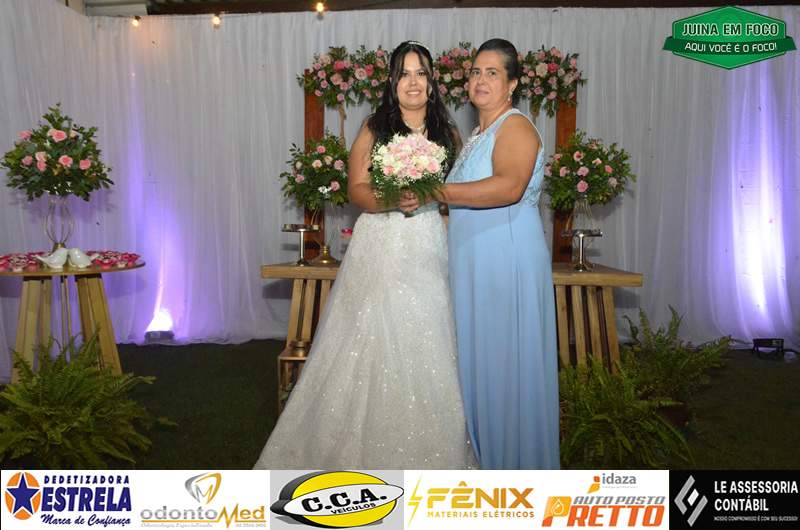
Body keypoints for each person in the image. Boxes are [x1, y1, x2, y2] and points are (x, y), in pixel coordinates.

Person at [255, 41, 476, 469]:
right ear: (392, 83)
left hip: (428, 243)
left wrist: (439, 208)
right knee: (368, 336)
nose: (413, 82)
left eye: (421, 73)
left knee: (429, 333)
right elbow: (356, 188)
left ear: (432, 82)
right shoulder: (375, 127)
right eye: (404, 74)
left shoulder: (448, 134)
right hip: (381, 242)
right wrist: (392, 199)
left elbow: (456, 193)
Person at [437, 38, 560, 469]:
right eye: (475, 72)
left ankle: (512, 465)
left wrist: (437, 191)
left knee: (504, 367)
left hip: (504, 262)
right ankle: (485, 461)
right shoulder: (476, 136)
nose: (480, 80)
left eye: (492, 73)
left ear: (512, 84)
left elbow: (508, 187)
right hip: (474, 262)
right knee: (481, 364)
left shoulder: (516, 126)